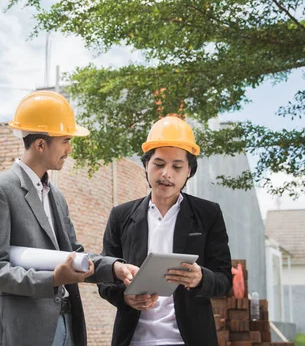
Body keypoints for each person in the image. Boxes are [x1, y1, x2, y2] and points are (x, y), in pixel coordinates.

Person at [0, 90, 137, 346]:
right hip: (26, 334)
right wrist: (52, 280)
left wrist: (114, 268)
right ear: (40, 144)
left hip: (67, 325)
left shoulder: (56, 196)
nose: (69, 149)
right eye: (65, 141)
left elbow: (74, 255)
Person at [98, 116, 232, 346]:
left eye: (177, 166)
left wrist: (201, 278)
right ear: (146, 165)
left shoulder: (208, 214)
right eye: (158, 164)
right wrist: (125, 297)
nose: (166, 174)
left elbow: (224, 280)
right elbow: (104, 278)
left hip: (189, 339)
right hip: (134, 340)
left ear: (189, 170)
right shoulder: (121, 216)